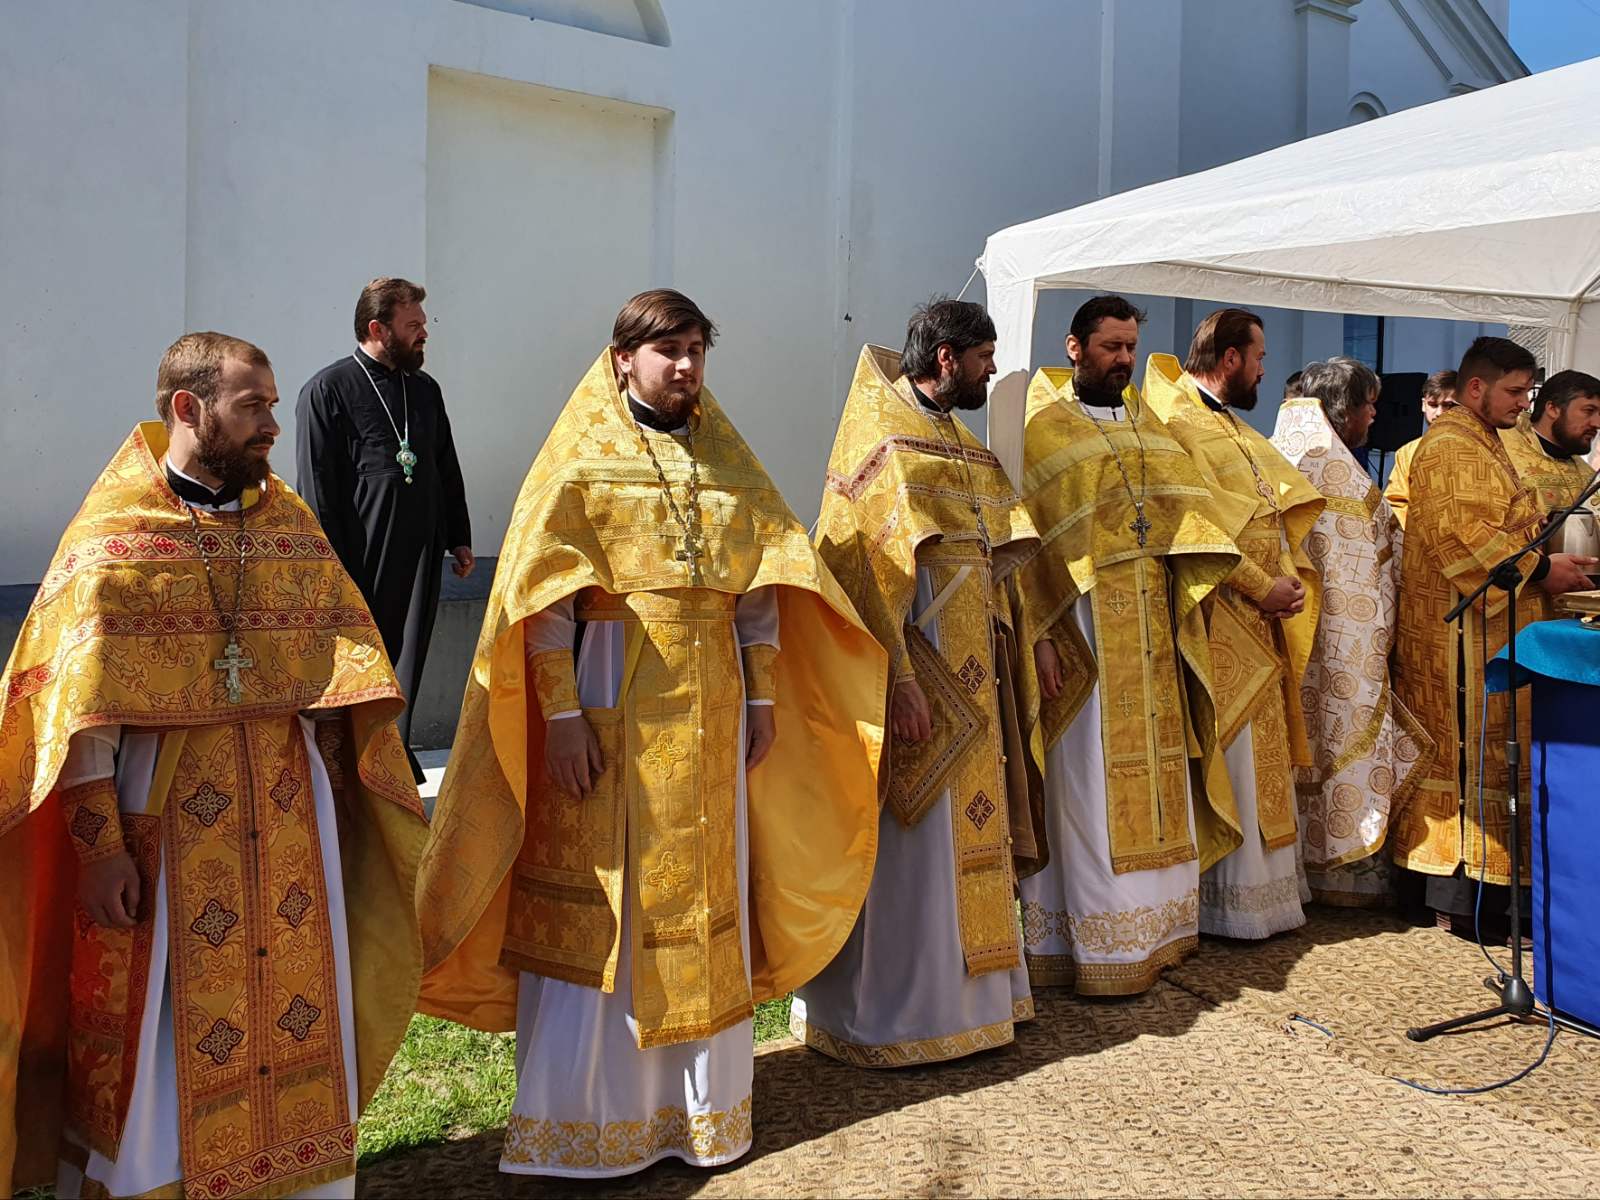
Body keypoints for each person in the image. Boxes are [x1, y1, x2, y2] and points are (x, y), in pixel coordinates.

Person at [414, 290, 885, 1178]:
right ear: (623, 358)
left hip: (713, 713)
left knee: (707, 896)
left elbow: (760, 590)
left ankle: (701, 1117)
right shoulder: (579, 465)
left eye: (698, 350)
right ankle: (589, 1124)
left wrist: (762, 700)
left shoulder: (730, 466)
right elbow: (543, 607)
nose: (687, 367)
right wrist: (561, 718)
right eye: (670, 351)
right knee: (611, 906)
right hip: (611, 701)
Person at [0, 332, 428, 1198]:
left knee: (297, 1007)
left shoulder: (290, 528)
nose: (273, 423)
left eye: (272, 403)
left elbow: (346, 666)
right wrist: (100, 851)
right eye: (253, 405)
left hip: (290, 817)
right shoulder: (112, 542)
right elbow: (78, 721)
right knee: (164, 1024)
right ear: (189, 409)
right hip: (163, 818)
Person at [790, 299, 1043, 1064]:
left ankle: (977, 1002)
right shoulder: (883, 438)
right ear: (946, 358)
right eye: (984, 358)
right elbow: (863, 572)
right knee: (913, 836)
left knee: (970, 829)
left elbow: (998, 549)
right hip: (916, 663)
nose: (992, 371)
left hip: (974, 667)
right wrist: (897, 677)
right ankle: (895, 1016)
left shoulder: (960, 441)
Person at [1010, 296, 1242, 995]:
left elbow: (1189, 515)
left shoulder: (1147, 423)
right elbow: (1031, 548)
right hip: (1085, 629)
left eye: (1131, 347)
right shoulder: (1042, 430)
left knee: (1161, 770)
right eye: (1111, 346)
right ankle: (1093, 940)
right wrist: (1041, 634)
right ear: (1075, 347)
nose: (1124, 359)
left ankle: (1159, 932)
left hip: (1152, 622)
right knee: (1089, 779)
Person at [1392, 338, 1596, 939]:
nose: (1522, 403)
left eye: (1527, 392)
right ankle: (1465, 901)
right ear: (1476, 387)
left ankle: (1497, 896)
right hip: (1461, 632)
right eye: (1514, 392)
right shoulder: (1452, 445)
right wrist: (1542, 568)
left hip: (1495, 623)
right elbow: (1463, 536)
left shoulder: (1484, 439)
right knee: (1471, 754)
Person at [1143, 310, 1325, 939]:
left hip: (1263, 612)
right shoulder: (1176, 423)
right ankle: (1227, 904)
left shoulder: (1230, 423)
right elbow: (1193, 526)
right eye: (1259, 356)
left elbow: (1267, 513)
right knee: (1235, 756)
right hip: (1217, 613)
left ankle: (1268, 897)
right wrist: (1259, 584)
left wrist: (1286, 580)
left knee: (1263, 756)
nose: (1264, 369)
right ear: (1230, 359)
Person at [296, 278, 473, 781]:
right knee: (365, 659)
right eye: (413, 325)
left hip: (419, 548)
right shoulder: (328, 389)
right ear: (378, 329)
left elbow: (444, 463)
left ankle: (394, 757)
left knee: (408, 657)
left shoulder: (425, 390)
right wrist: (330, 567)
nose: (424, 334)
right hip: (360, 553)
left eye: (423, 324)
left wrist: (458, 535)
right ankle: (354, 765)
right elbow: (317, 485)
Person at [1272, 357, 1432, 908]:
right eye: (1368, 405)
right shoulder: (1339, 475)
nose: (1373, 415)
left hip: (1295, 636)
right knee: (1342, 736)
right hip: (1343, 641)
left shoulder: (1281, 452)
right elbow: (1366, 568)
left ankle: (1298, 867)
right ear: (1343, 410)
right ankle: (1341, 873)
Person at [1501, 368, 1600, 525]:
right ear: (1553, 409)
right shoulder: (1503, 454)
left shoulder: (1587, 475)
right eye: (1589, 411)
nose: (1597, 424)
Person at [1383, 368, 1455, 529]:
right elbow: (1396, 503)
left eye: (1448, 405)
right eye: (1433, 405)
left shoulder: (1482, 446)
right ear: (1423, 405)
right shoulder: (1407, 453)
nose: (1439, 413)